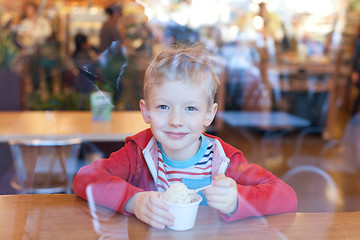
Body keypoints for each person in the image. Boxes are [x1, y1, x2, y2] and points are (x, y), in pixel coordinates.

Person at [72, 43, 297, 229]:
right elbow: (86, 178)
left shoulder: (225, 160)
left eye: (190, 109)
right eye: (163, 107)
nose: (176, 121)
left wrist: (237, 200)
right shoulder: (138, 153)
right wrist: (134, 201)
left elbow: (286, 197)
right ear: (146, 111)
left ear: (209, 114)